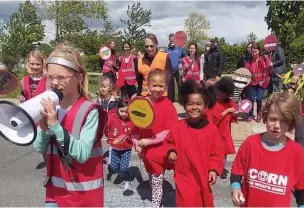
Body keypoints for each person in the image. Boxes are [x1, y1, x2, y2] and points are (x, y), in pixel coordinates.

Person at [33, 42, 107, 207]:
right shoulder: (51, 106)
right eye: (50, 77)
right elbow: (39, 147)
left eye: (61, 77)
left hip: (83, 196)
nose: (54, 83)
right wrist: (44, 128)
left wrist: (55, 126)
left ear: (79, 78)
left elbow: (82, 154)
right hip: (55, 192)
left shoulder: (89, 110)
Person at [230, 92, 304, 207]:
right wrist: (235, 188)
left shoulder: (297, 152)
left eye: (284, 121)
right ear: (265, 115)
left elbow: (301, 190)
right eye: (273, 119)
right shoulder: (251, 143)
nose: (277, 125)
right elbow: (236, 172)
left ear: (292, 122)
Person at [164, 79, 224, 207]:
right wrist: (171, 151)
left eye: (199, 104)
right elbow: (169, 142)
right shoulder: (178, 127)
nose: (194, 107)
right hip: (184, 176)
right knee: (186, 202)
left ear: (205, 106)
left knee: (205, 202)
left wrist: (213, 169)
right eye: (190, 104)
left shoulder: (211, 130)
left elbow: (217, 153)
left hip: (203, 175)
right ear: (184, 105)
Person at [133, 69, 178, 207]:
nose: (157, 89)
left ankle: (156, 204)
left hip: (160, 150)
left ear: (166, 86)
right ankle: (157, 194)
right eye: (154, 85)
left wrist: (150, 140)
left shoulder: (168, 105)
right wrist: (137, 144)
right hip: (146, 150)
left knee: (157, 179)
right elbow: (134, 127)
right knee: (152, 177)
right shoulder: (141, 103)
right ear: (148, 85)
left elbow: (169, 130)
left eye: (161, 85)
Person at [105, 98, 137, 191]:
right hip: (115, 148)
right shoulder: (112, 118)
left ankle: (127, 179)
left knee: (123, 168)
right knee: (113, 167)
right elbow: (105, 126)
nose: (124, 114)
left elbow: (136, 134)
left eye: (127, 112)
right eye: (121, 111)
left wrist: (136, 144)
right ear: (117, 109)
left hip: (126, 149)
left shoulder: (132, 121)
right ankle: (126, 172)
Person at [210, 77, 238, 179]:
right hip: (216, 131)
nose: (219, 94)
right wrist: (228, 111)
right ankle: (215, 167)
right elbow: (215, 117)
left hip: (226, 130)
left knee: (224, 151)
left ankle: (221, 167)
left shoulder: (230, 102)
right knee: (216, 150)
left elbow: (234, 116)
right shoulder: (215, 102)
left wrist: (235, 114)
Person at [137, 33, 175, 103]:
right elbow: (139, 82)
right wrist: (139, 97)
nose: (149, 49)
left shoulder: (164, 57)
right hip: (145, 97)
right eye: (146, 46)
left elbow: (170, 80)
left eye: (151, 46)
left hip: (161, 96)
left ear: (156, 44)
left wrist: (170, 99)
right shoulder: (140, 60)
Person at [245, 43, 272, 122]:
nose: (254, 54)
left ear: (259, 51)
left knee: (259, 99)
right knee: (251, 99)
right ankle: (250, 115)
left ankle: (259, 113)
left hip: (262, 82)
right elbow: (246, 72)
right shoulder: (249, 61)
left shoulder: (265, 58)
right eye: (252, 52)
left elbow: (270, 71)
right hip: (252, 83)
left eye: (255, 51)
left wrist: (269, 67)